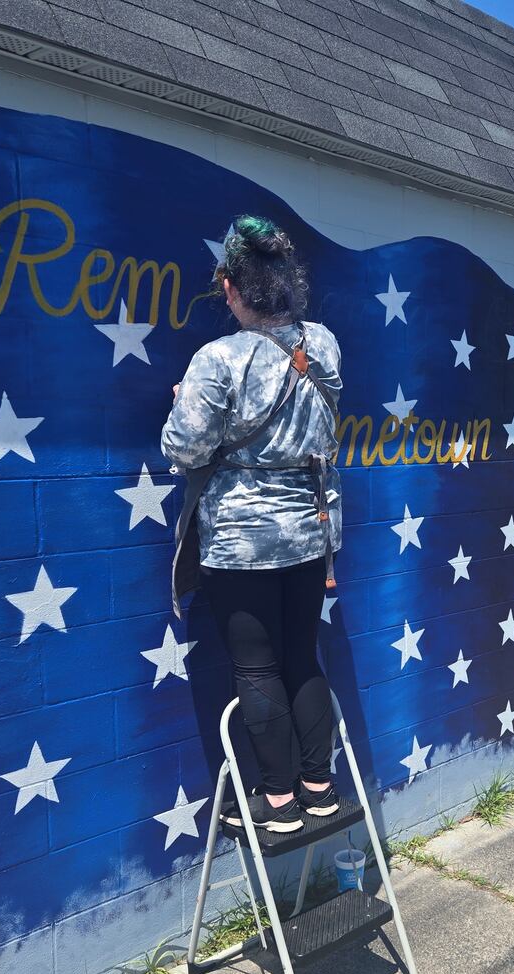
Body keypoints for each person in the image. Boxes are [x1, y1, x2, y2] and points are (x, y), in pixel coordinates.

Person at [161, 215, 343, 835]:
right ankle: (319, 789)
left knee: (258, 668)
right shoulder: (321, 345)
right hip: (310, 532)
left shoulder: (216, 360)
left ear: (231, 288)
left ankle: (278, 802)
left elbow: (183, 451)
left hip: (240, 543)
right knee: (303, 658)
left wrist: (183, 397)